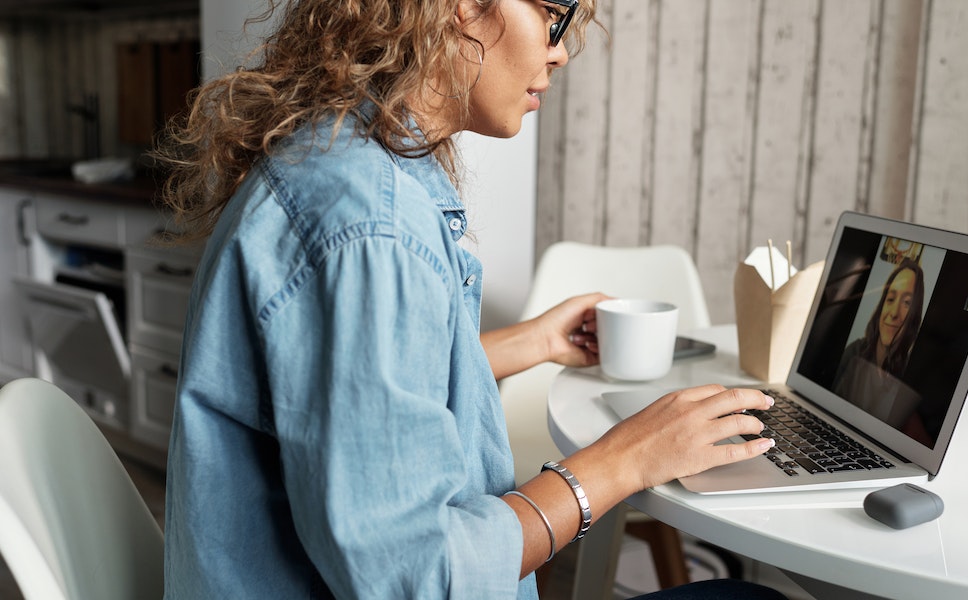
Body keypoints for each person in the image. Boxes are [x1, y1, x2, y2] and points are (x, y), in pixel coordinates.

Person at [153, 1, 786, 598]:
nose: (561, 52)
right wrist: (623, 461)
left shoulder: (338, 164)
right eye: (553, 14)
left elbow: (358, 403)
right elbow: (419, 576)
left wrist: (535, 341)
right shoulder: (373, 227)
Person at [833, 258, 924, 428]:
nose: (894, 313)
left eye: (906, 303)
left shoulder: (910, 377)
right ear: (882, 304)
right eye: (890, 299)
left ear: (914, 315)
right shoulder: (853, 353)